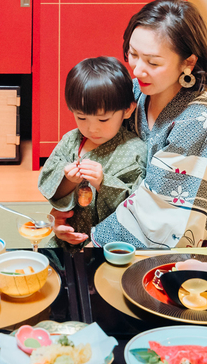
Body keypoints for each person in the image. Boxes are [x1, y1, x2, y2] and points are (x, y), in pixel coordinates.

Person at [52, 0, 207, 249]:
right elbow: (92, 153)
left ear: (188, 62)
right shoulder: (134, 94)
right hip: (113, 218)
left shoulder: (201, 123)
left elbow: (163, 214)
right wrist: (68, 217)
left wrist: (90, 241)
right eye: (133, 54)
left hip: (178, 238)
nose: (138, 70)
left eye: (153, 62)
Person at [38, 57, 147, 250]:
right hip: (68, 241)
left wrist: (103, 183)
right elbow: (50, 185)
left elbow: (138, 208)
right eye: (81, 117)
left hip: (112, 247)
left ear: (128, 110)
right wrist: (68, 181)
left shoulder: (135, 150)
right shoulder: (71, 141)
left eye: (103, 120)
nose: (92, 128)